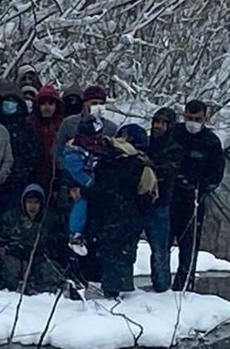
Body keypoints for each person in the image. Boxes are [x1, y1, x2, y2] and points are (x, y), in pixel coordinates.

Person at [85, 127, 157, 298]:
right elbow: (147, 194)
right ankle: (115, 288)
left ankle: (106, 287)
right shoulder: (140, 165)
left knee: (106, 251)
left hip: (108, 214)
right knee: (120, 254)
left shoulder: (105, 162)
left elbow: (97, 188)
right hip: (126, 215)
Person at [170, 100, 225, 291]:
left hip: (194, 200)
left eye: (197, 119)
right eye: (189, 118)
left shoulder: (211, 141)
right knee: (162, 245)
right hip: (169, 198)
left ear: (205, 118)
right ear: (183, 116)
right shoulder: (174, 133)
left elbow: (217, 173)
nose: (193, 122)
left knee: (189, 246)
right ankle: (159, 284)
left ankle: (185, 285)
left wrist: (203, 188)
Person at [0, 184, 65, 293]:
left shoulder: (50, 220)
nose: (32, 206)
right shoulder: (12, 217)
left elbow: (55, 245)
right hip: (17, 258)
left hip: (40, 259)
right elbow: (3, 241)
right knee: (10, 265)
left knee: (50, 270)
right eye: (29, 202)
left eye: (36, 203)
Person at [144, 107, 183, 292]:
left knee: (160, 249)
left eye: (162, 123)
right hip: (139, 203)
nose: (158, 126)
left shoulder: (174, 147)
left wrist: (149, 165)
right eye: (155, 122)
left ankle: (161, 287)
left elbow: (166, 170)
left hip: (160, 204)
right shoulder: (145, 143)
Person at [62, 116, 108, 256]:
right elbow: (76, 170)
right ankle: (76, 234)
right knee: (80, 203)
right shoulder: (74, 152)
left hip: (100, 191)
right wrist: (90, 183)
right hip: (80, 188)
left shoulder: (101, 148)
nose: (95, 139)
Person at [0, 87, 41, 213]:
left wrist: (25, 171)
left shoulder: (27, 129)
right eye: (7, 102)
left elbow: (34, 154)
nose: (10, 105)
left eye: (13, 102)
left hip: (20, 179)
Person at [52, 85, 119, 169]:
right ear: (84, 104)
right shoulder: (69, 123)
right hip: (71, 174)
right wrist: (66, 168)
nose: (98, 107)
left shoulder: (111, 128)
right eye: (94, 103)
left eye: (101, 104)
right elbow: (57, 150)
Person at [28, 85, 65, 190]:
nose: (47, 107)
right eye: (43, 104)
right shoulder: (30, 125)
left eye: (51, 103)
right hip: (34, 173)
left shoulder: (62, 125)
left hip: (57, 174)